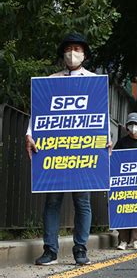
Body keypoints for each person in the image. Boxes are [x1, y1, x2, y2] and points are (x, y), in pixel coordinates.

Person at [26, 33, 111, 266]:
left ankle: (80, 249)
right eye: (69, 48)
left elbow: (101, 116)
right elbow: (39, 113)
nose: (73, 53)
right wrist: (29, 134)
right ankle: (50, 251)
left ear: (84, 53)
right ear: (63, 53)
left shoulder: (94, 81)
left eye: (77, 48)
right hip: (55, 154)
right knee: (52, 202)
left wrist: (107, 140)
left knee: (82, 203)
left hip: (83, 154)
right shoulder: (51, 80)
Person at [113, 112, 137, 250]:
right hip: (123, 182)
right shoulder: (122, 142)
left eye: (135, 124)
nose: (133, 126)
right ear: (126, 126)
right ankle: (123, 240)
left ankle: (136, 240)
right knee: (123, 209)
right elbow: (115, 160)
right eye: (130, 124)